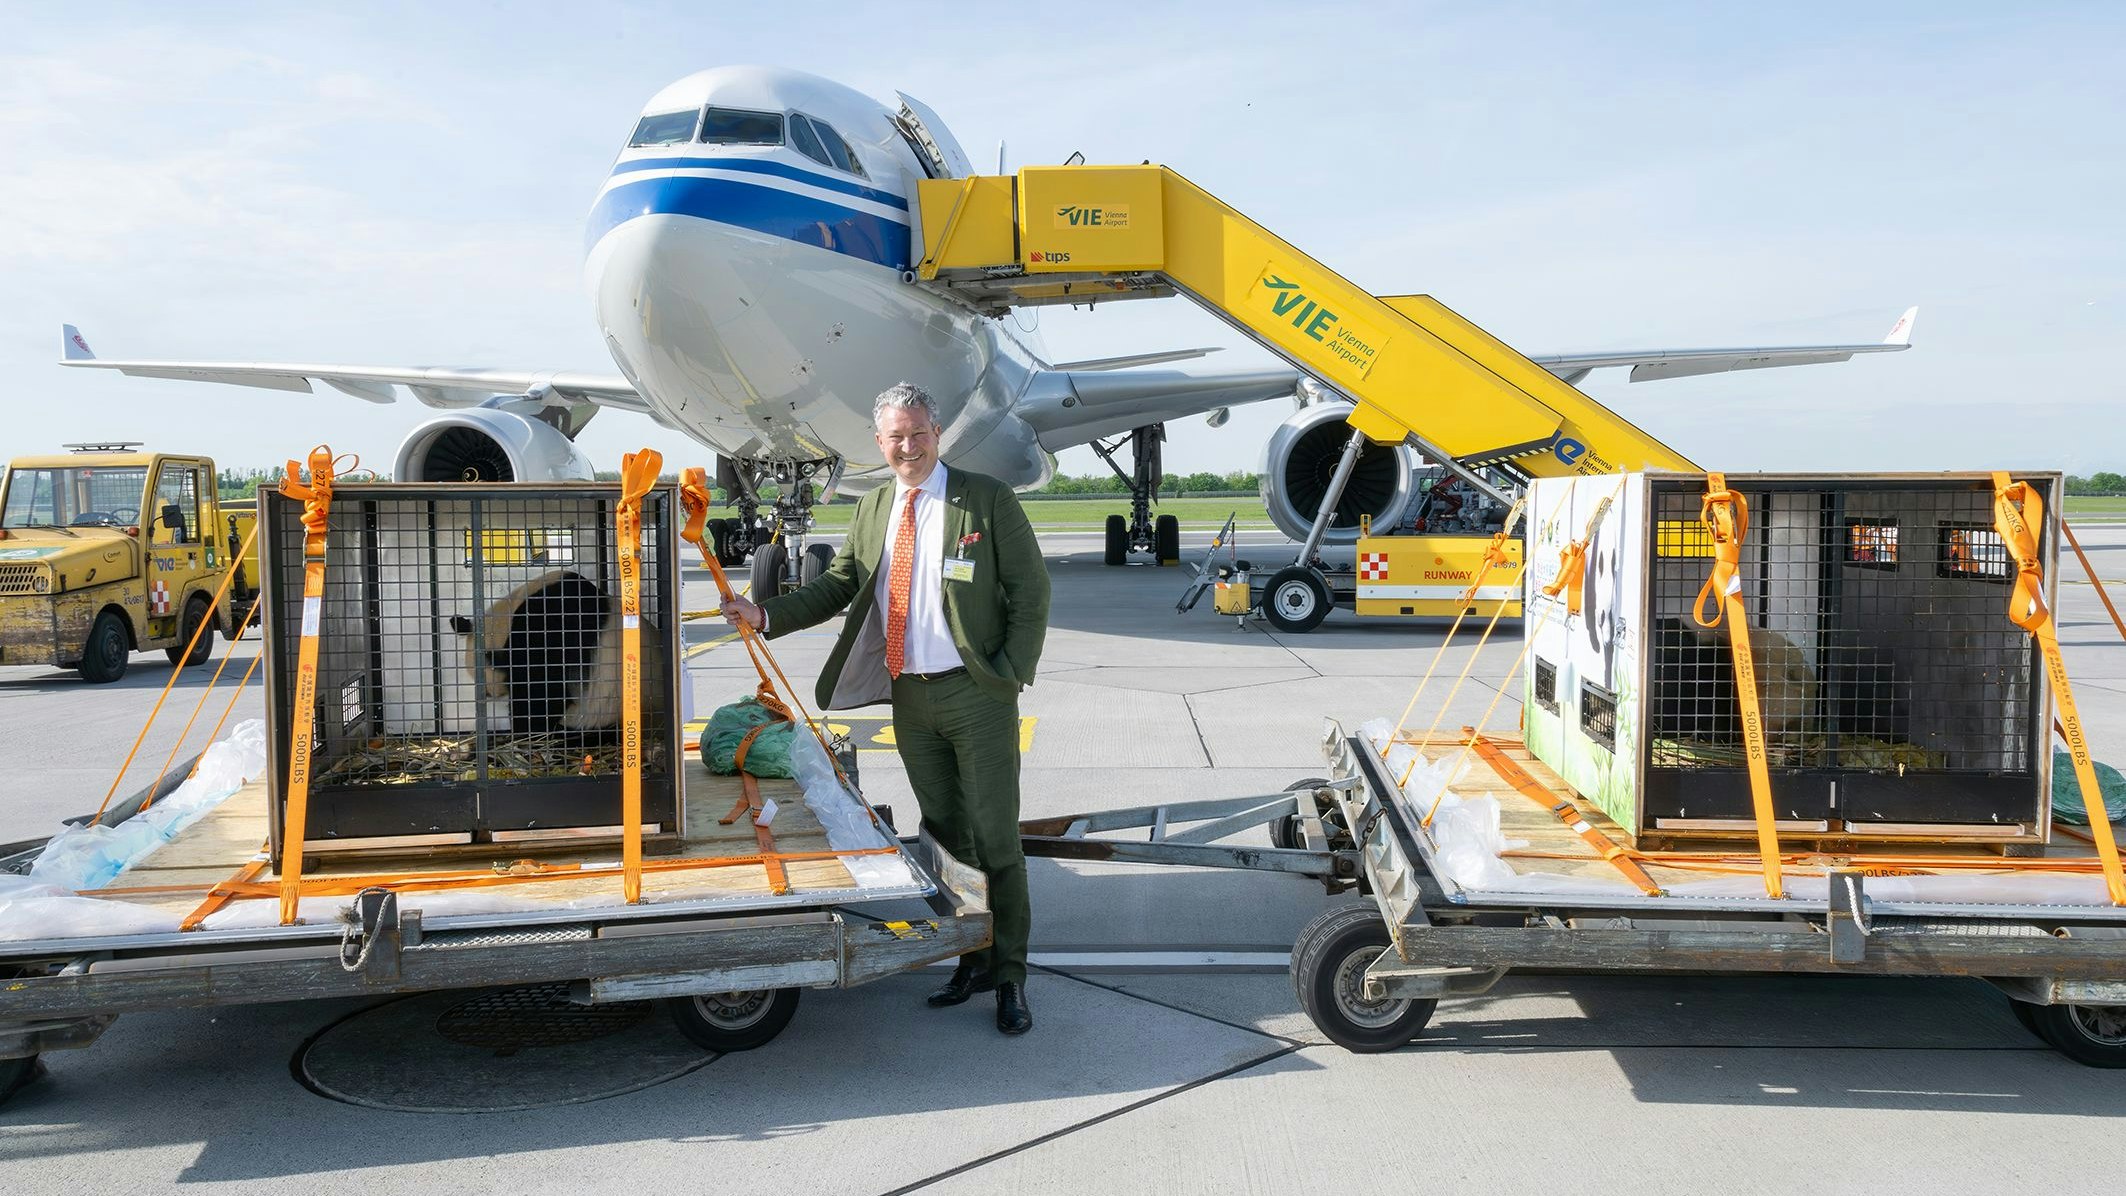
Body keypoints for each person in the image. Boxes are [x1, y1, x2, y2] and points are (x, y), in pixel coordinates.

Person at [722, 382, 1051, 1035]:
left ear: (937, 433)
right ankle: (971, 957)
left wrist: (1009, 675)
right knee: (946, 834)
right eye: (896, 437)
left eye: (919, 433)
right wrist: (764, 614)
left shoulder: (983, 499)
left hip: (975, 692)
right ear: (880, 443)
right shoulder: (874, 508)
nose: (908, 446)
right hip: (910, 697)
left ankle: (1010, 974)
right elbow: (837, 587)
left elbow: (1030, 590)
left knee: (994, 837)